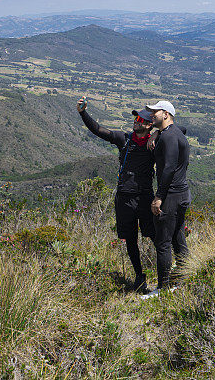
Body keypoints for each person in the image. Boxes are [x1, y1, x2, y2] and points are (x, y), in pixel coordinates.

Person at [77, 96, 155, 293]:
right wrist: (83, 113)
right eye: (135, 119)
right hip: (124, 198)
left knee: (155, 235)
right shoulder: (125, 139)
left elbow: (180, 131)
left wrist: (157, 135)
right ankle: (139, 276)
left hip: (145, 197)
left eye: (140, 120)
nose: (135, 122)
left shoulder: (156, 142)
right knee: (130, 240)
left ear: (148, 125)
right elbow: (98, 130)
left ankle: (166, 272)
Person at [145, 99, 190, 295]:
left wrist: (158, 197)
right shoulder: (174, 133)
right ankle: (184, 280)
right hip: (183, 194)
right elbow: (183, 128)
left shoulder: (169, 138)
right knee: (178, 238)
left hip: (170, 195)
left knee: (163, 242)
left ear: (166, 114)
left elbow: (169, 167)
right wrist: (157, 132)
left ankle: (163, 289)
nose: (151, 115)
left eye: (156, 112)